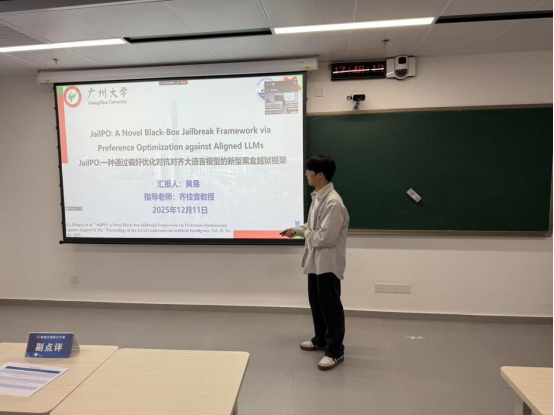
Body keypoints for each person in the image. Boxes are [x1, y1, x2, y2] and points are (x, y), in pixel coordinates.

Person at [283, 155, 350, 371]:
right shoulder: (318, 196)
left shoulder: (333, 202)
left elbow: (324, 238)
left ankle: (335, 351)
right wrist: (297, 230)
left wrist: (307, 233)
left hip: (328, 264)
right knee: (317, 303)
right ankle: (320, 339)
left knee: (330, 307)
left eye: (309, 171)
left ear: (320, 174)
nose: (306, 174)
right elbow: (312, 227)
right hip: (316, 262)